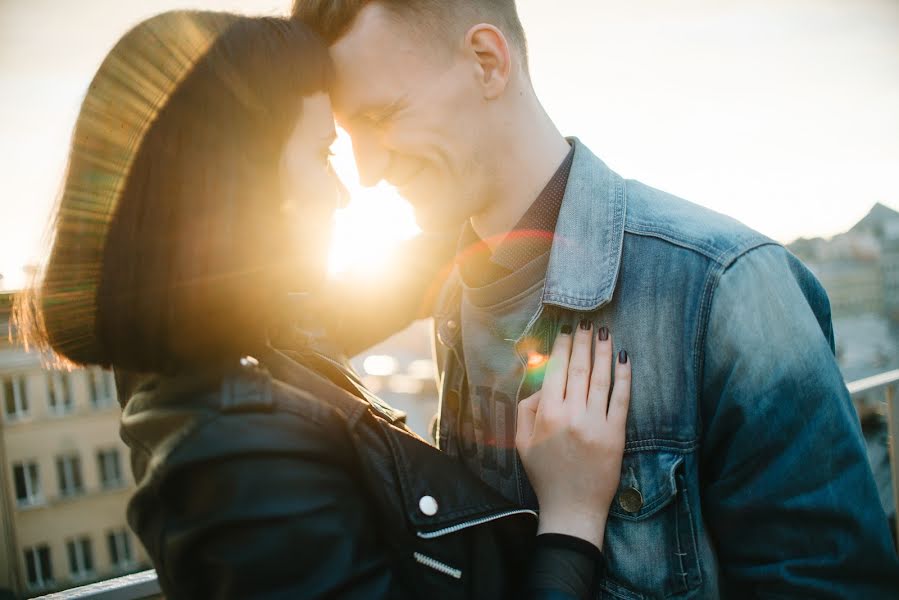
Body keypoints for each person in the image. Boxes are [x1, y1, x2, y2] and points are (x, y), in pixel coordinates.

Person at [15, 11, 633, 599]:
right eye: (322, 154)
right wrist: (572, 521)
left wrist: (486, 187)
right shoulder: (241, 466)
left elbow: (388, 287)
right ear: (239, 182)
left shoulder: (222, 350)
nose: (343, 190)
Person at [291, 0, 899, 597]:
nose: (366, 173)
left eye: (382, 116)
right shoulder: (456, 298)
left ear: (486, 61)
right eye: (349, 137)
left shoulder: (729, 286)